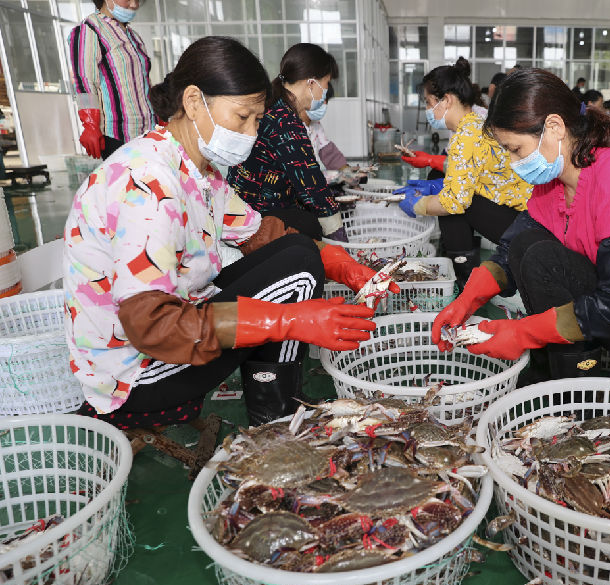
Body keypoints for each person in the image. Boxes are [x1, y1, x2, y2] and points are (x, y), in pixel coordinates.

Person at [64, 37, 393, 430]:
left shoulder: (194, 168)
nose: (253, 133)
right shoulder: (150, 186)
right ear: (192, 102)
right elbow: (152, 327)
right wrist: (288, 320)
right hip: (136, 375)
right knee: (301, 273)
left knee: (299, 251)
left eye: (256, 119)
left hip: (175, 326)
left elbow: (262, 232)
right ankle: (276, 414)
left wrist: (345, 266)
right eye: (243, 118)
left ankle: (271, 391)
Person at [432, 68, 610, 382]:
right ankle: (565, 370)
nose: (515, 165)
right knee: (526, 246)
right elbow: (510, 249)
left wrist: (521, 333)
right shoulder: (555, 184)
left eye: (516, 150)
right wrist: (468, 299)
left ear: (554, 127)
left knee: (542, 258)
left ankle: (577, 386)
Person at [396, 58, 532, 285]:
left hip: (523, 225)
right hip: (525, 216)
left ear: (446, 100)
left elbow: (454, 202)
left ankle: (464, 275)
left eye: (429, 103)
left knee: (454, 207)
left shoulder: (466, 134)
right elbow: (471, 175)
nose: (429, 110)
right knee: (449, 193)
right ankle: (464, 266)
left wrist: (419, 204)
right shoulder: (476, 123)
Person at [227, 43, 347, 242]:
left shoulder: (274, 104)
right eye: (326, 83)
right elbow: (313, 186)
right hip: (256, 215)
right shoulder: (286, 123)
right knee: (312, 226)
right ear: (311, 83)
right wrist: (341, 238)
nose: (325, 90)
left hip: (243, 203)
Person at [68, 0, 154, 160]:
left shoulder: (133, 36)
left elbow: (144, 82)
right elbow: (85, 82)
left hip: (148, 131)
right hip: (118, 135)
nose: (134, 4)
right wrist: (91, 125)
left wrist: (159, 115)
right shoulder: (89, 31)